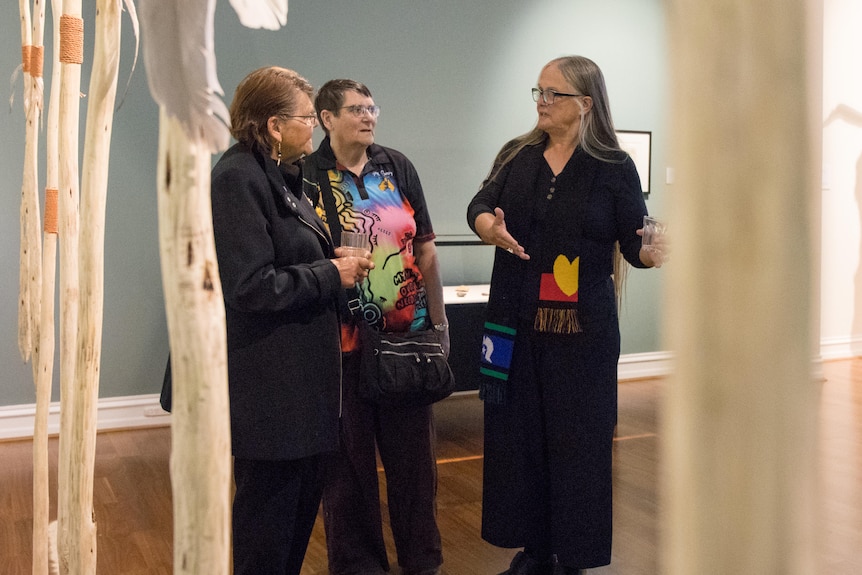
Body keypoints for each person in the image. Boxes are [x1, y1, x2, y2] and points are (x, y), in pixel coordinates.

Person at [466, 56, 667, 575]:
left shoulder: (613, 166)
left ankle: (571, 553)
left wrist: (651, 253)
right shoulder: (518, 154)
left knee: (578, 442)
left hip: (582, 333)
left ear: (584, 104)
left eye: (552, 93)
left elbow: (632, 244)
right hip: (514, 323)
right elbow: (479, 205)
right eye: (538, 90)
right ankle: (533, 548)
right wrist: (489, 226)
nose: (541, 100)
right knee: (520, 438)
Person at [210, 66, 373, 575]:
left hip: (299, 390)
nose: (315, 128)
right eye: (307, 118)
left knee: (292, 525)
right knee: (266, 533)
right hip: (271, 394)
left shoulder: (280, 177)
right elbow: (251, 286)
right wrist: (332, 272)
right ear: (276, 126)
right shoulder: (238, 177)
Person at [302, 79, 449, 575]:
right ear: (326, 118)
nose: (369, 116)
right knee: (348, 477)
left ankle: (423, 566)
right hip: (342, 347)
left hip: (407, 340)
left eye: (372, 108)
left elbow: (425, 247)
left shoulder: (396, 166)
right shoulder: (305, 173)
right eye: (356, 109)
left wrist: (440, 318)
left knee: (416, 472)